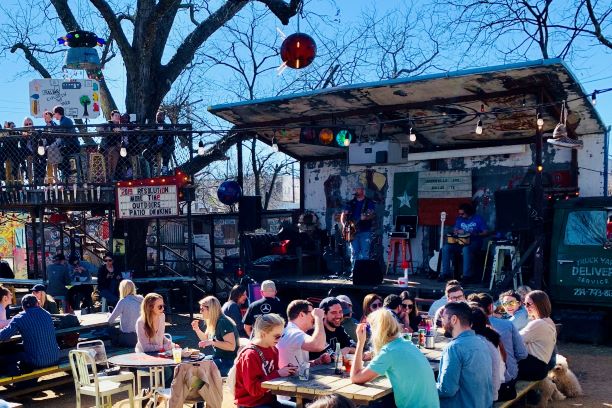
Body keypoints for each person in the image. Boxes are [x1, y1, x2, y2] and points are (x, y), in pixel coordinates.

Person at [350, 308, 439, 408]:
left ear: (376, 331)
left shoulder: (389, 352)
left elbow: (355, 378)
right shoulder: (407, 344)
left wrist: (360, 343)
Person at [468, 292, 527, 401]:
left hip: (488, 387)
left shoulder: (467, 331)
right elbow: (522, 354)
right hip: (506, 380)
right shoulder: (507, 324)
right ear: (491, 307)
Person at [234, 313, 297, 408]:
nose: (280, 339)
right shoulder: (250, 355)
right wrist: (278, 373)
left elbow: (272, 376)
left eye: (282, 336)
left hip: (269, 401)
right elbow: (253, 390)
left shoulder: (273, 349)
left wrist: (286, 371)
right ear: (263, 334)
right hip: (251, 404)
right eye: (277, 336)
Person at [437, 301, 493, 408]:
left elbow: (447, 390)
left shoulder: (454, 347)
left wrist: (424, 387)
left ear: (454, 319)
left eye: (443, 317)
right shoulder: (481, 342)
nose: (441, 321)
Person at [0, 295, 60, 376]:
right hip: (55, 358)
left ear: (23, 307)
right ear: (37, 303)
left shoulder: (19, 318)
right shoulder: (47, 314)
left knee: (7, 354)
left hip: (36, 362)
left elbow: (3, 336)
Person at [440, 203, 488, 283]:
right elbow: (455, 230)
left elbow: (486, 232)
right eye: (459, 214)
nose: (460, 215)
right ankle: (445, 273)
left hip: (474, 242)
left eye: (462, 214)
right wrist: (456, 232)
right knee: (446, 248)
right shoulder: (459, 219)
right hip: (460, 243)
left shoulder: (478, 219)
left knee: (466, 249)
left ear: (468, 212)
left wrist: (472, 233)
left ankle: (466, 276)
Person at [191, 296, 239, 376]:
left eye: (202, 309)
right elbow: (206, 339)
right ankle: (196, 384)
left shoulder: (223, 322)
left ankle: (198, 384)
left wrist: (212, 342)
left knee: (199, 371)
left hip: (228, 361)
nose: (200, 312)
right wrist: (197, 329)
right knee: (194, 365)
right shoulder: (213, 321)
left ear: (211, 309)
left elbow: (231, 346)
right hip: (218, 358)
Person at [518, 290, 557, 381]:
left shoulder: (538, 323)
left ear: (540, 304)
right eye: (525, 304)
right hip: (540, 368)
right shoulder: (548, 320)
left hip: (533, 368)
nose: (526, 307)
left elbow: (516, 340)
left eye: (529, 304)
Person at [277, 299, 328, 369]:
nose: (313, 316)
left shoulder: (289, 330)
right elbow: (318, 346)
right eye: (312, 313)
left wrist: (316, 362)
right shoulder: (294, 333)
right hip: (292, 376)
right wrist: (318, 318)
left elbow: (298, 364)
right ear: (302, 314)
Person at [470, 305, 505, 402]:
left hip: (493, 392)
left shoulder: (479, 342)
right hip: (498, 385)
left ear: (470, 324)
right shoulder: (490, 335)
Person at [340, 182, 376, 274]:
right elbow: (343, 215)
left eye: (357, 189)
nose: (355, 190)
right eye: (354, 189)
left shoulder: (368, 202)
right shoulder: (350, 203)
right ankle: (354, 273)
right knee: (354, 252)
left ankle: (364, 273)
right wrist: (344, 226)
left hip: (365, 231)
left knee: (365, 253)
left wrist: (366, 217)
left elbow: (372, 215)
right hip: (352, 232)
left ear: (362, 190)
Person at [107, 279, 143, 347]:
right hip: (141, 337)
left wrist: (109, 315)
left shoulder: (123, 301)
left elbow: (110, 321)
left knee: (110, 329)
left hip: (129, 338)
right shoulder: (141, 299)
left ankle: (115, 346)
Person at [52, 105, 80, 183]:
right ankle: (67, 173)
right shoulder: (63, 121)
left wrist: (53, 129)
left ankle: (67, 175)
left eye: (54, 114)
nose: (54, 116)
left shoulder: (65, 121)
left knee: (61, 153)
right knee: (59, 153)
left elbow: (60, 132)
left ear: (57, 113)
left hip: (73, 146)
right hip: (69, 146)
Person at [101, 109, 122, 181]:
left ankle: (119, 175)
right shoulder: (108, 124)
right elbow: (99, 129)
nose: (117, 117)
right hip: (107, 148)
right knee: (113, 154)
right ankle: (110, 177)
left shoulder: (120, 126)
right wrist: (111, 130)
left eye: (118, 116)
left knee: (124, 153)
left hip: (117, 148)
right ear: (111, 117)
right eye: (116, 115)